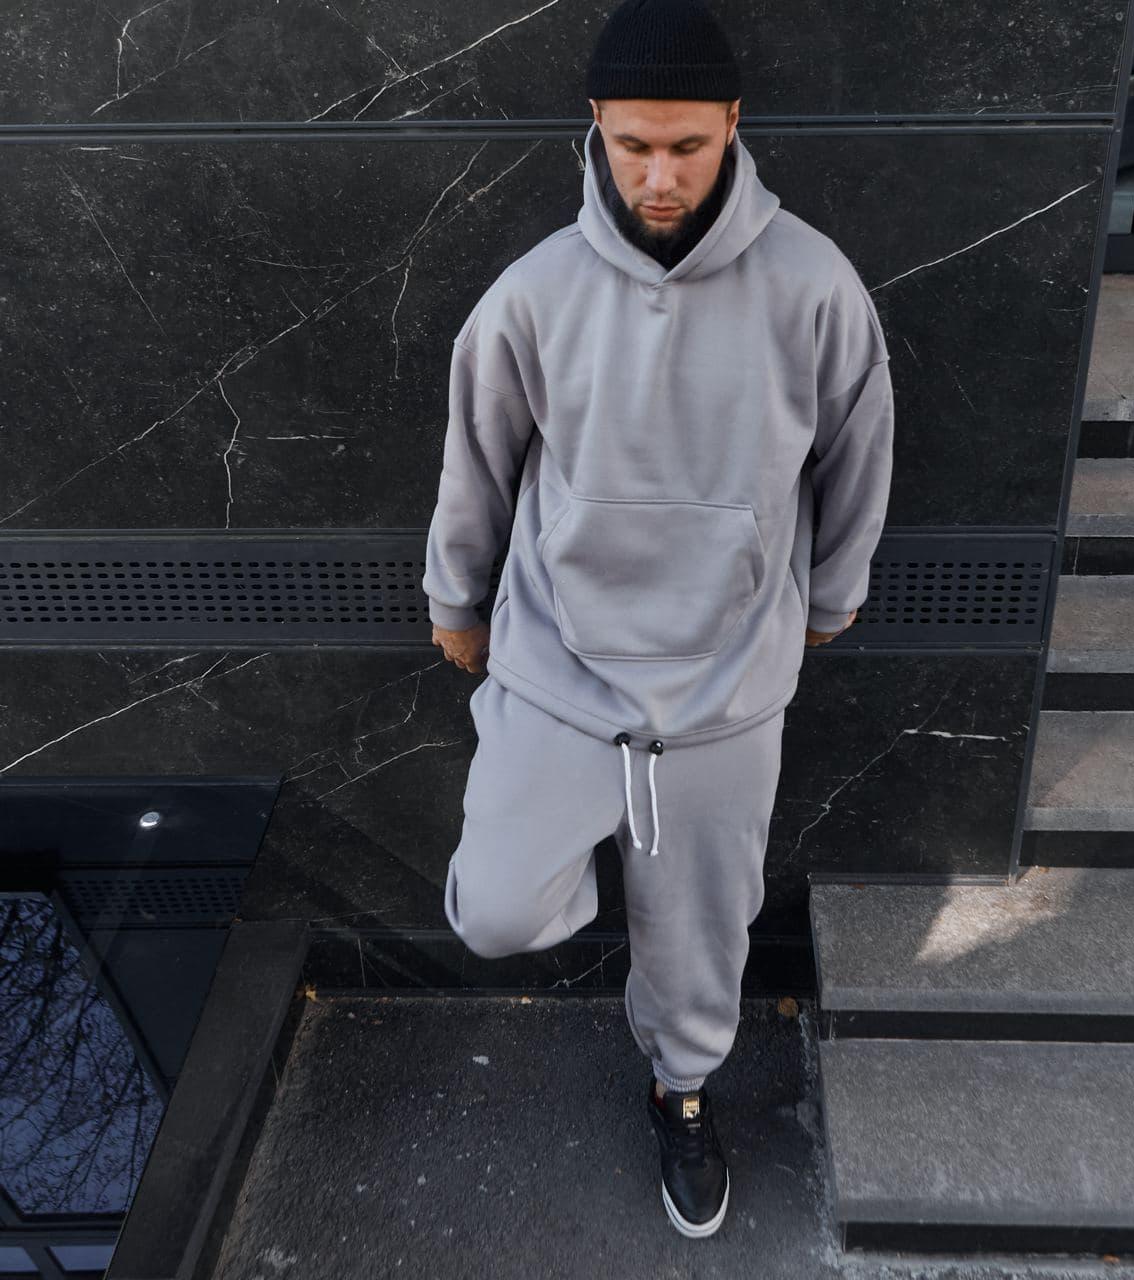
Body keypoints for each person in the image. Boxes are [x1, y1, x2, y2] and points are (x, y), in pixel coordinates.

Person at [422, 0, 893, 1240]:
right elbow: (476, 458)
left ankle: (680, 1090)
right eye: (633, 145)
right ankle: (609, 859)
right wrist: (454, 597)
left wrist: (831, 595)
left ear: (733, 123)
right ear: (595, 126)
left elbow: (858, 456)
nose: (659, 176)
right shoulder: (536, 292)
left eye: (685, 145)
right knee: (494, 909)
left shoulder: (813, 284)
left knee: (700, 949)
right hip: (562, 665)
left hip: (725, 682)